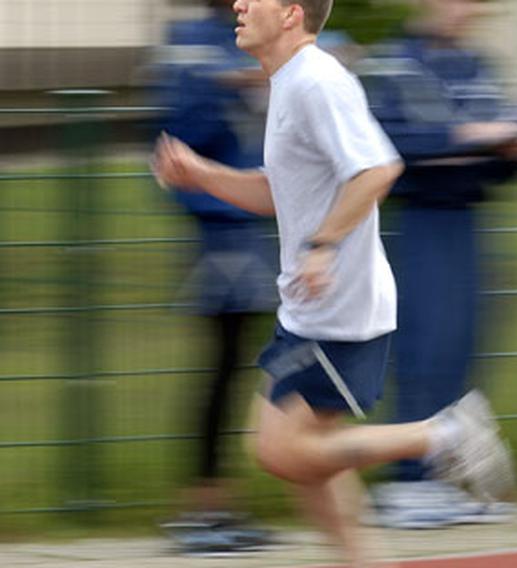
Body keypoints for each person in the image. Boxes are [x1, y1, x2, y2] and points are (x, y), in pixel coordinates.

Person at [152, 0, 516, 565]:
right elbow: (279, 192)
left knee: (282, 453)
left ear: (293, 13)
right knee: (311, 467)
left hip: (338, 309)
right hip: (310, 308)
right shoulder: (290, 83)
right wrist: (203, 174)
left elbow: (378, 168)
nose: (240, 4)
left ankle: (446, 434)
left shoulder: (317, 82)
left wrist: (322, 247)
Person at [356, 0, 517, 529]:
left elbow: (494, 158)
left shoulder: (480, 66)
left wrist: (515, 153)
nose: (464, 10)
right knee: (423, 349)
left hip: (467, 220)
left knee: (464, 349)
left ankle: (450, 479)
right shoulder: (391, 63)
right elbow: (388, 143)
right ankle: (406, 485)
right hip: (418, 222)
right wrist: (465, 138)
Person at [151, 0, 276, 553]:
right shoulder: (193, 42)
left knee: (240, 369)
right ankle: (203, 513)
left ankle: (217, 506)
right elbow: (173, 136)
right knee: (224, 372)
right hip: (222, 235)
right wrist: (229, 85)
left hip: (259, 227)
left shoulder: (244, 36)